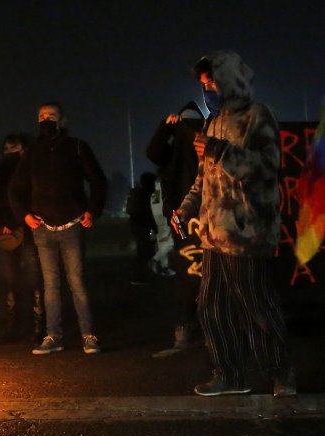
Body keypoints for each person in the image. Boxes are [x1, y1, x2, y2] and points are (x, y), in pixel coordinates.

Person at [174, 50, 295, 397]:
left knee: (257, 306)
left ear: (229, 79)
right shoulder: (212, 122)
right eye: (203, 83)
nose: (208, 87)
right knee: (213, 308)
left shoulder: (258, 115)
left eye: (211, 80)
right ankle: (230, 373)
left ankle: (281, 373)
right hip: (214, 235)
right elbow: (203, 179)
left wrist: (220, 151)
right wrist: (185, 208)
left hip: (247, 233)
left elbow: (267, 168)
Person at [9, 102, 108, 355]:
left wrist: (92, 210)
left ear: (62, 120)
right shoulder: (32, 152)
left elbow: (98, 180)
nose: (47, 120)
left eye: (51, 116)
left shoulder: (76, 147)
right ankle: (53, 336)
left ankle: (89, 335)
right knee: (50, 285)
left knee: (77, 281)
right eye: (42, 116)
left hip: (72, 224)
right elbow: (15, 189)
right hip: (42, 227)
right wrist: (25, 216)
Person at [146, 101, 205, 353]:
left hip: (180, 218)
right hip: (200, 216)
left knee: (187, 272)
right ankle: (206, 327)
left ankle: (186, 328)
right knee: (204, 270)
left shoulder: (174, 151)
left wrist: (167, 128)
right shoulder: (204, 142)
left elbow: (153, 152)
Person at [0, 133, 44, 343]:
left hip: (27, 233)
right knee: (9, 281)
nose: (11, 153)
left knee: (35, 279)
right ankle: (12, 326)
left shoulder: (32, 172)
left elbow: (32, 200)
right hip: (3, 236)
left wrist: (15, 222)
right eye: (7, 149)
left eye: (15, 149)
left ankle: (39, 326)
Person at [126, 172, 158, 285]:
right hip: (142, 226)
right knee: (145, 251)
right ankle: (137, 276)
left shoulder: (138, 193)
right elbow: (149, 213)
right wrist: (154, 226)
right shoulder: (146, 194)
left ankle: (140, 275)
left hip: (137, 225)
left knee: (144, 250)